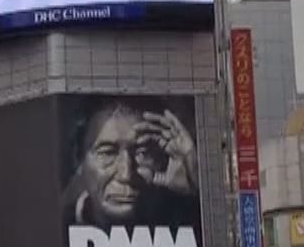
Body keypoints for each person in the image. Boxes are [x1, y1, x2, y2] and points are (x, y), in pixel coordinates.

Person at [60, 98, 200, 238]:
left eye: (142, 153)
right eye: (107, 153)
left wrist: (196, 190)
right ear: (78, 159)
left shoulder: (187, 219)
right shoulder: (54, 234)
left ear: (163, 160)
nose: (126, 175)